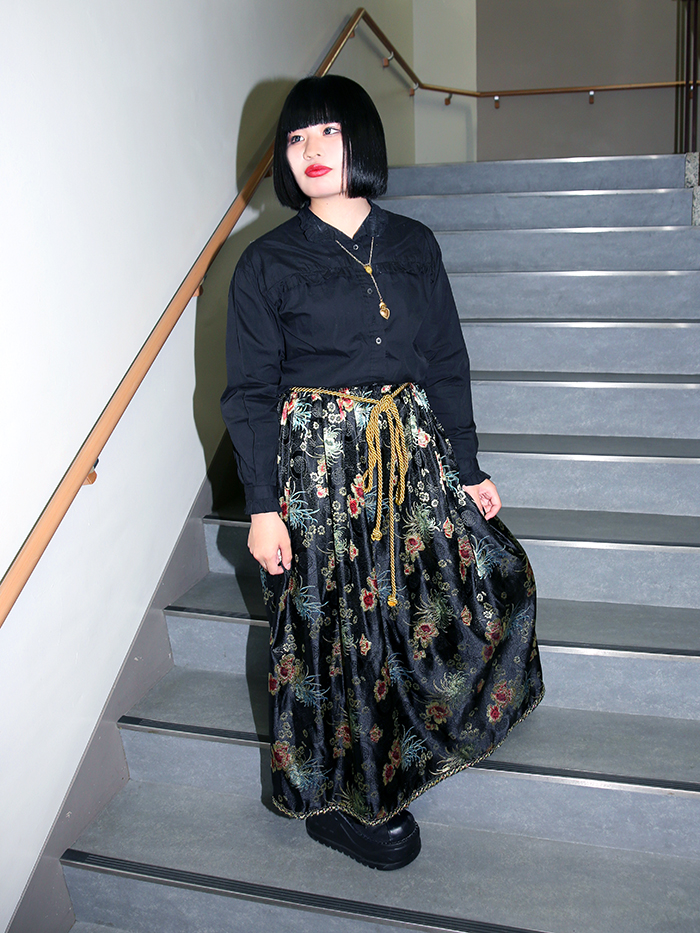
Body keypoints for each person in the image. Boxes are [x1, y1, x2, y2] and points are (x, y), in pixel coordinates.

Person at [221, 74, 544, 871]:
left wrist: (468, 464)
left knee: (467, 583)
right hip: (319, 474)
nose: (310, 150)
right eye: (295, 138)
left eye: (327, 131)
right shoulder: (265, 262)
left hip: (412, 451)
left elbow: (445, 358)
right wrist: (262, 507)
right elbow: (250, 393)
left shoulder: (413, 243)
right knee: (339, 632)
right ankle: (347, 799)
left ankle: (427, 729)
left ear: (360, 139)